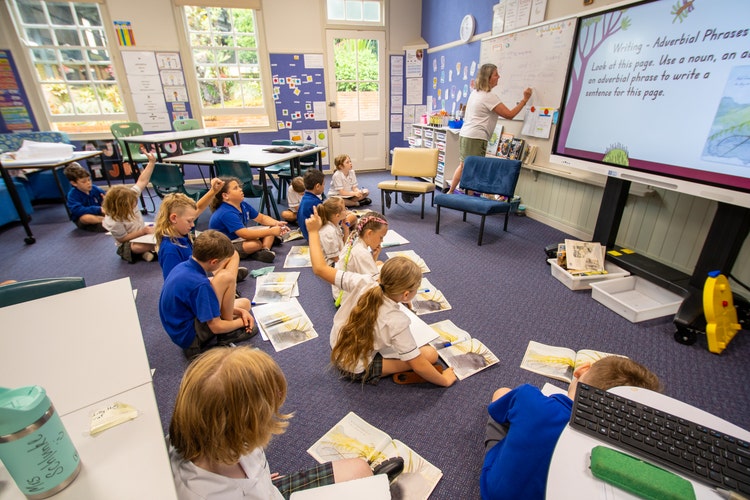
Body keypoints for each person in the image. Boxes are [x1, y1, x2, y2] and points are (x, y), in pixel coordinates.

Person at [168, 346, 401, 499]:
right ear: (243, 425)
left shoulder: (211, 431)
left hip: (266, 492)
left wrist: (259, 481)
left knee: (359, 468)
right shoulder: (202, 493)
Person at [306, 207, 456, 387]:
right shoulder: (397, 321)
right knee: (430, 355)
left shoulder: (363, 280)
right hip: (354, 366)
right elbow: (418, 364)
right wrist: (444, 380)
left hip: (336, 345)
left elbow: (320, 269)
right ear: (406, 295)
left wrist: (313, 231)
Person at [480, 356, 661, 500]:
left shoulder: (528, 396)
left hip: (494, 493)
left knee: (502, 394)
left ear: (581, 371)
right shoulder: (614, 452)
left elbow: (497, 410)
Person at [159, 230, 256, 360]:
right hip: (191, 340)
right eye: (223, 262)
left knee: (244, 304)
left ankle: (231, 323)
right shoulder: (200, 285)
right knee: (227, 279)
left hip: (179, 328)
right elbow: (216, 327)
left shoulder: (183, 267)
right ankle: (228, 334)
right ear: (214, 262)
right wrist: (240, 322)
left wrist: (238, 312)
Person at [448, 63, 532, 194]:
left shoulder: (475, 93)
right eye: (496, 74)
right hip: (475, 137)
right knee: (472, 168)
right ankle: (464, 197)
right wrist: (525, 100)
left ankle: (452, 192)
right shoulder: (489, 96)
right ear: (488, 77)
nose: (499, 77)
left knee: (464, 166)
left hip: (466, 134)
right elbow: (509, 115)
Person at [154, 178, 247, 283]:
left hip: (198, 273)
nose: (193, 224)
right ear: (174, 218)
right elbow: (173, 283)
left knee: (232, 254)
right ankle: (228, 284)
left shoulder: (180, 229)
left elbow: (199, 207)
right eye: (190, 221)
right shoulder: (170, 249)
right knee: (228, 281)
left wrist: (213, 191)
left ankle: (227, 280)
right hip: (194, 286)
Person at [208, 177, 289, 263]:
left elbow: (261, 218)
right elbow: (245, 234)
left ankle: (264, 250)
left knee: (271, 227)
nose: (240, 189)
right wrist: (271, 232)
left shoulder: (242, 204)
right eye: (235, 188)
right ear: (225, 196)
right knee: (255, 244)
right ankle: (259, 247)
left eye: (239, 187)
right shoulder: (226, 213)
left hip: (238, 237)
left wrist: (277, 223)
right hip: (225, 244)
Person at [102, 152, 157, 262]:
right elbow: (122, 239)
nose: (135, 204)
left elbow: (142, 180)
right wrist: (143, 232)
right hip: (129, 241)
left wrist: (151, 162)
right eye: (132, 204)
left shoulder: (130, 196)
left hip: (143, 232)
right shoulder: (113, 221)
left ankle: (148, 252)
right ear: (122, 206)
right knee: (137, 247)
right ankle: (150, 250)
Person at [332, 211, 388, 304]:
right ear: (369, 233)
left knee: (379, 263)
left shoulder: (354, 236)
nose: (381, 241)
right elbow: (375, 284)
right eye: (381, 237)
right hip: (347, 300)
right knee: (389, 277)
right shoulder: (361, 253)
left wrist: (374, 256)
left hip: (340, 291)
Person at [63, 162, 107, 232]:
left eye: (89, 180)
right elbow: (77, 210)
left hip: (99, 212)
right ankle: (106, 221)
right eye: (83, 182)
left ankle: (108, 221)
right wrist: (97, 209)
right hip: (83, 217)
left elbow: (106, 196)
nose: (88, 183)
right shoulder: (72, 195)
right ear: (74, 183)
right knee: (86, 218)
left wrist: (105, 200)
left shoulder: (94, 188)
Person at [317, 196, 356, 265]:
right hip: (332, 266)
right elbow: (335, 258)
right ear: (337, 215)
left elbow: (343, 245)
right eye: (344, 209)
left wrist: (346, 229)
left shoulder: (335, 224)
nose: (347, 211)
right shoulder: (328, 231)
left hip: (339, 258)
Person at [296, 167, 325, 240]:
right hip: (315, 236)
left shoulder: (305, 198)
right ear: (318, 186)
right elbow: (326, 219)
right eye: (323, 184)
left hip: (307, 234)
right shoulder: (315, 202)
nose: (324, 186)